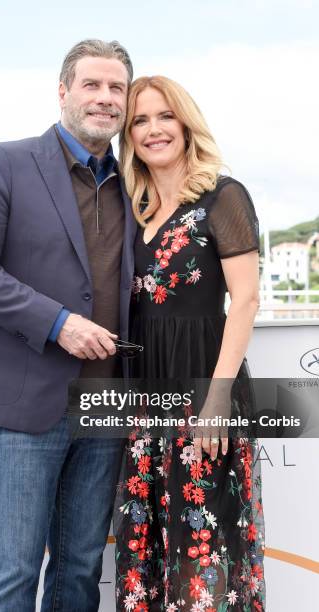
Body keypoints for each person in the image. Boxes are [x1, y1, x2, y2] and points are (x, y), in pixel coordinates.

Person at [0, 39, 137, 612]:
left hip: (108, 404)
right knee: (14, 571)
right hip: (26, 401)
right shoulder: (5, 160)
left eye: (117, 88)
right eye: (92, 85)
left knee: (79, 572)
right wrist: (58, 323)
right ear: (63, 91)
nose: (105, 98)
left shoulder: (139, 181)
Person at [114, 77, 266, 611]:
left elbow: (245, 300)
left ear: (186, 124)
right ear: (128, 135)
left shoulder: (223, 196)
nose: (153, 130)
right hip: (146, 398)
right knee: (148, 544)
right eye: (139, 121)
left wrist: (218, 398)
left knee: (206, 547)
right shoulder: (134, 209)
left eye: (164, 117)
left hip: (205, 389)